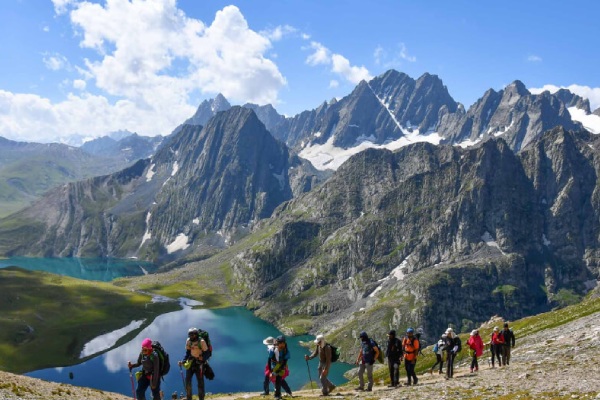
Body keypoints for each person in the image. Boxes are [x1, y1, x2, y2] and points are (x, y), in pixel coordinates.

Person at [178, 327, 209, 400]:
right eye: (190, 335)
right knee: (188, 381)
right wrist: (183, 361)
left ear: (196, 334)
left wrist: (203, 358)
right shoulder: (189, 341)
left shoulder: (201, 341)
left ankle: (201, 398)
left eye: (192, 335)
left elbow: (207, 353)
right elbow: (188, 352)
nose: (191, 336)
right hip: (191, 362)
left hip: (199, 364)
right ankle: (189, 398)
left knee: (200, 383)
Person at [270, 335, 291, 400]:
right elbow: (269, 359)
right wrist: (271, 371)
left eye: (283, 343)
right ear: (278, 343)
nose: (282, 345)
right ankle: (279, 394)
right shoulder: (273, 350)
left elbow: (285, 362)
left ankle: (277, 395)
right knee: (277, 380)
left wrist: (278, 370)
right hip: (274, 366)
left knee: (278, 380)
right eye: (280, 343)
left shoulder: (286, 351)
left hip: (281, 366)